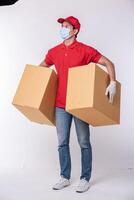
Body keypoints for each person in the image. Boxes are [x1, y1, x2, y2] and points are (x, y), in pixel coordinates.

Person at [39, 16, 116, 193]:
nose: (62, 29)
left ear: (75, 31)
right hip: (60, 105)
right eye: (61, 26)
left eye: (66, 26)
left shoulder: (85, 50)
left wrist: (112, 82)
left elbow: (108, 63)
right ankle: (65, 177)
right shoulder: (54, 51)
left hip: (80, 104)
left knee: (84, 142)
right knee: (62, 142)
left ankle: (85, 178)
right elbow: (41, 68)